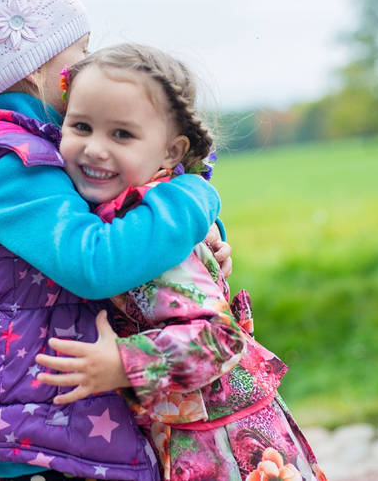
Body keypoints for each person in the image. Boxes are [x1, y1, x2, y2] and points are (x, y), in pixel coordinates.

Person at [0, 0, 229, 481]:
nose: (87, 65)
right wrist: (193, 200)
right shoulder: (15, 169)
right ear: (36, 70)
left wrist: (197, 241)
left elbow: (121, 210)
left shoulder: (35, 150)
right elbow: (95, 261)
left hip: (41, 410)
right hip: (42, 417)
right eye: (78, 52)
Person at [34, 44, 327, 481]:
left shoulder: (147, 232)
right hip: (189, 431)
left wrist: (124, 364)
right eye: (81, 126)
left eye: (121, 135)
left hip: (224, 444)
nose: (94, 148)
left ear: (171, 152)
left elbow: (218, 338)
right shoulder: (123, 215)